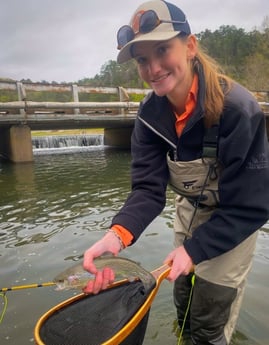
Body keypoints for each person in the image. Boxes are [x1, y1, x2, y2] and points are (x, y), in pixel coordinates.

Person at [83, 1, 269, 344]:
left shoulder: (239, 111)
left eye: (163, 49)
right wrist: (116, 236)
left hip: (235, 218)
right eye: (142, 59)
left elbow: (252, 206)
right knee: (183, 300)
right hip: (190, 211)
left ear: (191, 46)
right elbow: (148, 190)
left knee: (208, 318)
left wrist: (194, 251)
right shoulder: (149, 116)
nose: (153, 68)